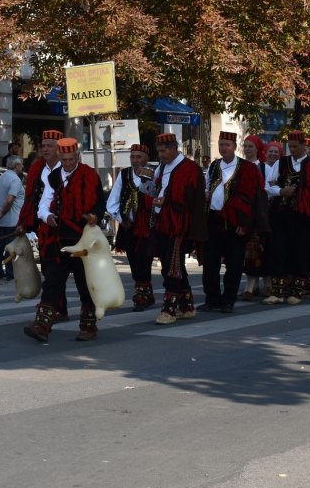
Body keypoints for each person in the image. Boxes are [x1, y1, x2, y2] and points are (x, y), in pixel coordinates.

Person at [23, 138, 106, 340]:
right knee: (52, 283)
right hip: (58, 240)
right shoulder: (52, 177)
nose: (68, 163)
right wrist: (47, 217)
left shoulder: (89, 175)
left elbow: (99, 205)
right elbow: (43, 205)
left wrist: (94, 217)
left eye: (71, 159)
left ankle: (88, 328)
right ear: (60, 157)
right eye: (65, 159)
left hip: (82, 241)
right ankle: (41, 326)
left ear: (77, 156)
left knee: (84, 285)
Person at [140, 133, 206, 324]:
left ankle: (169, 310)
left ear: (173, 148)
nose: (160, 154)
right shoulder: (162, 166)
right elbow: (156, 189)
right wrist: (146, 184)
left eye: (163, 151)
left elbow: (191, 198)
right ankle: (186, 306)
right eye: (159, 151)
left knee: (172, 266)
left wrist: (166, 201)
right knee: (171, 265)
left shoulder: (189, 168)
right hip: (162, 223)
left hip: (179, 225)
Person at [263, 130, 310, 305]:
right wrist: (281, 191)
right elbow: (268, 185)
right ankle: (277, 292)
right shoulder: (281, 163)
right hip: (281, 214)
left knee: (301, 252)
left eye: (295, 146)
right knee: (278, 251)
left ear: (303, 145)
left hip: (303, 217)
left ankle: (297, 291)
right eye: (289, 146)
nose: (291, 150)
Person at [200, 131, 263, 312]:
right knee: (210, 263)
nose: (223, 148)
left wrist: (246, 225)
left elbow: (253, 199)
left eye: (227, 145)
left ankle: (228, 300)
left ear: (235, 147)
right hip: (213, 219)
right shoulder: (213, 166)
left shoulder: (247, 168)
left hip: (235, 223)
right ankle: (212, 298)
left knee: (234, 264)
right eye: (221, 145)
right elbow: (207, 186)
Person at [18, 130, 66, 317]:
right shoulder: (37, 168)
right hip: (43, 226)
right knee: (48, 268)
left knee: (59, 270)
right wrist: (23, 222)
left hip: (66, 227)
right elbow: (29, 198)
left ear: (59, 148)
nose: (45, 149)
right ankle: (57, 307)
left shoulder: (68, 166)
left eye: (49, 146)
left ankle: (54, 305)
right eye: (43, 146)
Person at [107, 144, 157, 310]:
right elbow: (112, 201)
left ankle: (142, 296)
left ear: (147, 159)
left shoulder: (154, 173)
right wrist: (121, 218)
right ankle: (147, 294)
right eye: (132, 157)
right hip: (128, 226)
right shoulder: (124, 174)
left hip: (147, 226)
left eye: (139, 157)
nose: (135, 161)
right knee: (134, 260)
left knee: (144, 260)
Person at [239, 134, 270, 299]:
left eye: (250, 146)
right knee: (249, 251)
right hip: (245, 214)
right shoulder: (239, 167)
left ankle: (268, 284)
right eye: (245, 146)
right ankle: (250, 286)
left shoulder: (265, 168)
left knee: (265, 249)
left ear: (258, 149)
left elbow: (272, 189)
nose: (247, 149)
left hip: (263, 214)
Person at [0, 154, 25, 280]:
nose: (22, 166)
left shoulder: (2, 177)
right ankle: (11, 273)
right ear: (16, 165)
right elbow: (10, 200)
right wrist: (3, 212)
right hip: (12, 219)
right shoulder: (15, 180)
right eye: (21, 163)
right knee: (11, 247)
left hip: (2, 220)